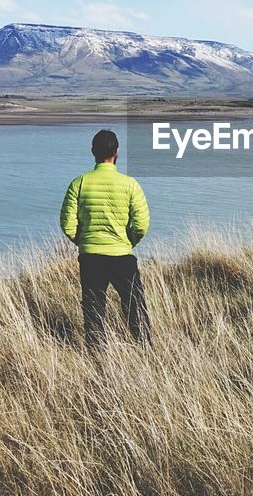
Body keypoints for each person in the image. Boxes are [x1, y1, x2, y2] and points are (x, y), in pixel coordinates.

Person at [60, 129, 151, 345]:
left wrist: (84, 241)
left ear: (93, 152)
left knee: (93, 307)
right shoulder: (130, 185)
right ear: (117, 152)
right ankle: (146, 348)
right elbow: (141, 225)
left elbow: (67, 224)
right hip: (122, 255)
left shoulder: (79, 184)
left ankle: (97, 354)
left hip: (91, 256)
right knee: (135, 304)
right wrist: (128, 242)